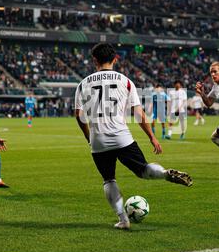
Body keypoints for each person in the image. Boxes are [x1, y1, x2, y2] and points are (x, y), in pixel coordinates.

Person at [75, 43, 193, 230]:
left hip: (99, 140)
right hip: (122, 137)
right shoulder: (126, 81)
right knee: (143, 169)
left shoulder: (83, 84)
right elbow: (139, 114)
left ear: (94, 60)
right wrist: (152, 137)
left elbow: (79, 115)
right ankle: (164, 174)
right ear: (115, 59)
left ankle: (123, 219)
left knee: (109, 179)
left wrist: (88, 136)